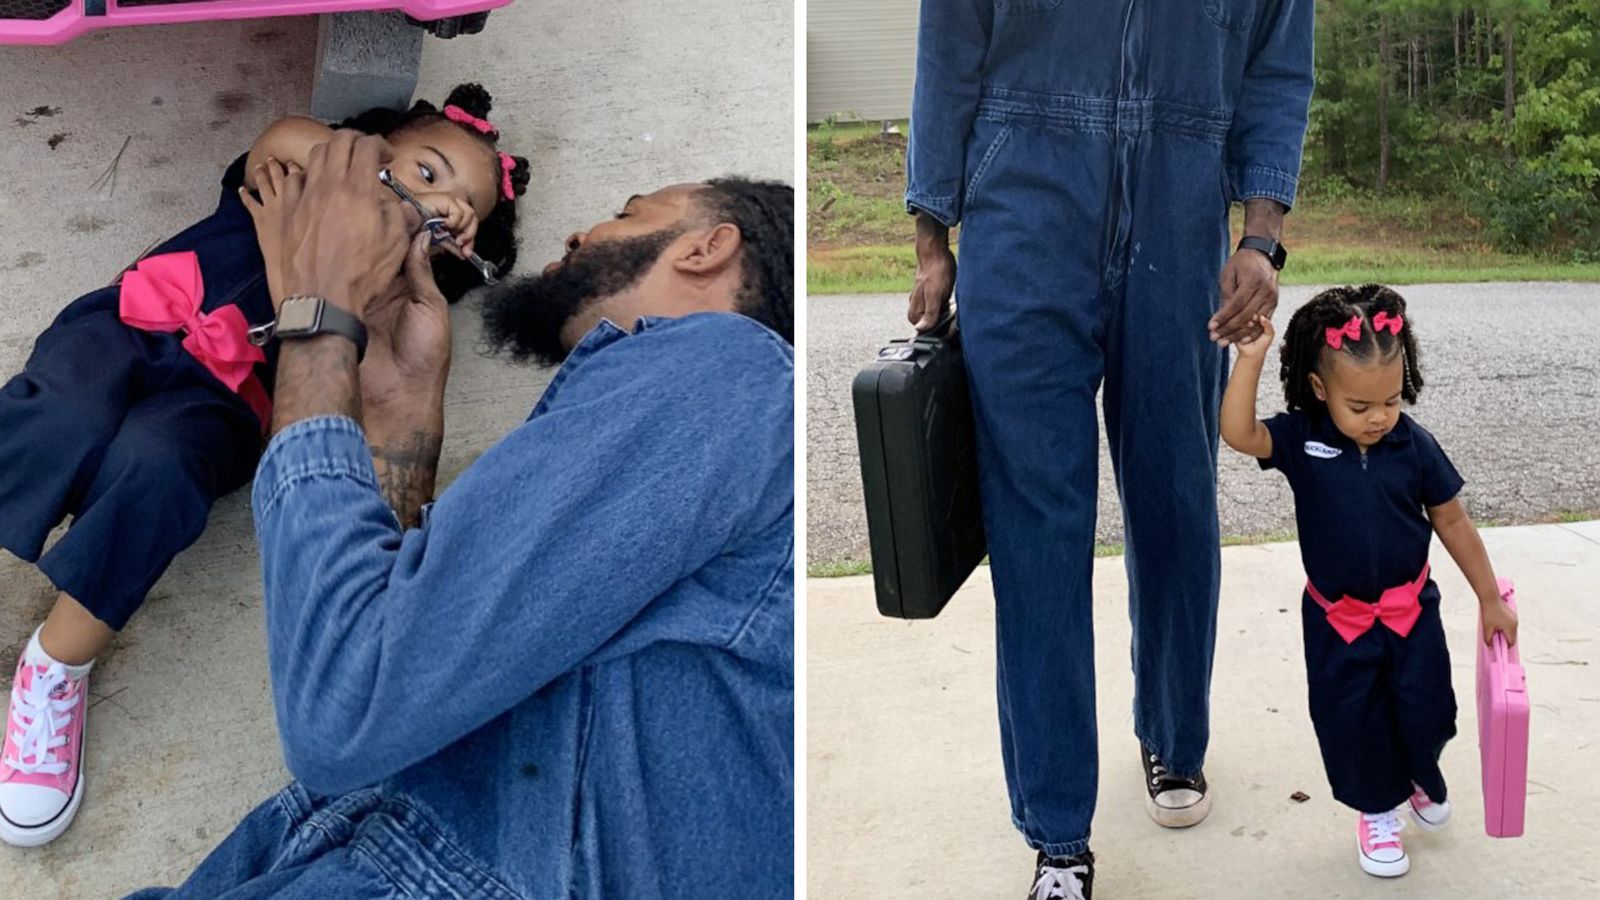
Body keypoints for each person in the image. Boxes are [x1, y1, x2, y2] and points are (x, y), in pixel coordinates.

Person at [128, 131, 795, 899]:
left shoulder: (728, 373)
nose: (585, 233)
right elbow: (399, 685)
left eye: (627, 213)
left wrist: (317, 311)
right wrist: (399, 405)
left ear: (706, 248)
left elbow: (345, 707)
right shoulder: (698, 451)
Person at [0, 84, 528, 848]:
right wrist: (359, 179)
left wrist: (363, 276)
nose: (438, 202)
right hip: (134, 320)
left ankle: (56, 665)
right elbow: (281, 136)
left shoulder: (381, 302)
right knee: (64, 411)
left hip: (228, 401)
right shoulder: (290, 174)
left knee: (157, 470)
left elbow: (357, 405)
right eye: (428, 171)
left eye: (456, 212)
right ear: (362, 144)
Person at [904, 2, 1316, 896]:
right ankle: (1057, 829)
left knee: (1175, 497)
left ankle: (1174, 738)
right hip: (1024, 206)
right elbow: (949, 44)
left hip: (1184, 205)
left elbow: (1276, 67)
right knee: (1037, 523)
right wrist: (933, 232)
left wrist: (1260, 233)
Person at [1220, 285, 1517, 879]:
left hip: (1412, 615)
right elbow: (1238, 433)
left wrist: (1489, 596)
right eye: (1360, 406)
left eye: (1391, 400)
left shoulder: (1415, 446)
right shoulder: (1302, 441)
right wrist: (1249, 357)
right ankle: (1377, 810)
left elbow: (1452, 519)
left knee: (1427, 710)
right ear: (1320, 390)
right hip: (1339, 622)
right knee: (1353, 720)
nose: (1379, 418)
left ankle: (1418, 777)